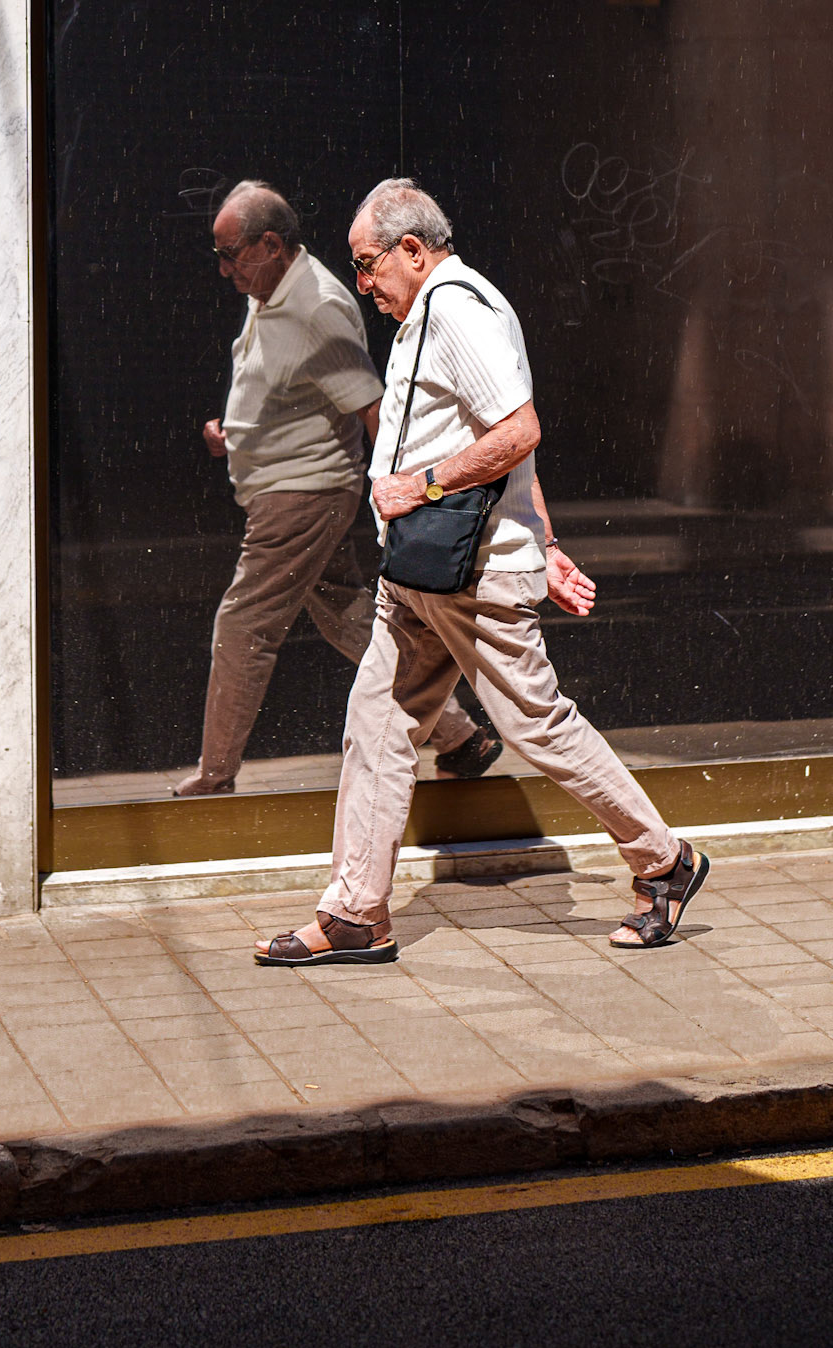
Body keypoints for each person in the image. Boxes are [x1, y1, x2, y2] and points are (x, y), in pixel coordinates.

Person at [254, 179, 709, 965]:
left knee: (538, 725)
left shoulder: (458, 308)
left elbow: (518, 427)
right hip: (420, 579)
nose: (363, 285)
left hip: (470, 577)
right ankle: (358, 911)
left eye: (369, 265)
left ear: (412, 249)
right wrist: (549, 540)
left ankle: (665, 860)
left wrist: (423, 487)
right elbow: (503, 438)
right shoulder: (436, 310)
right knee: (376, 727)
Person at [177, 180, 499, 798]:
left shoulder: (318, 306)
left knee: (244, 623)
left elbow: (371, 406)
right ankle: (461, 736)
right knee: (350, 616)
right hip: (284, 485)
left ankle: (215, 777)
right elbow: (284, 383)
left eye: (231, 253)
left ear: (271, 244)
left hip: (304, 494)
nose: (223, 270)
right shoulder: (268, 291)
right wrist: (236, 431)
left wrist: (403, 495)